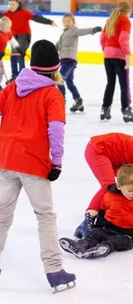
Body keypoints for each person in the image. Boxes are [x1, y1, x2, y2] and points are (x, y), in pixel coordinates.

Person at [0, 39, 76, 292]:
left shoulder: (13, 87)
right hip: (34, 164)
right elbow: (56, 130)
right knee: (45, 216)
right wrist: (57, 162)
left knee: (1, 216)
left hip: (7, 159)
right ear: (55, 67)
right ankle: (54, 270)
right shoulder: (52, 93)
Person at [59, 164, 133, 259]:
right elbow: (102, 213)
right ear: (119, 186)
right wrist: (98, 228)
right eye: (130, 190)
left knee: (115, 241)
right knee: (96, 233)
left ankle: (102, 249)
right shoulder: (110, 196)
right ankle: (81, 245)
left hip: (128, 236)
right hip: (109, 229)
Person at [100, 1, 133, 123]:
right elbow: (123, 39)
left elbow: (102, 38)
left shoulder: (110, 19)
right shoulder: (125, 20)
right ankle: (126, 110)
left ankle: (105, 109)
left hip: (107, 56)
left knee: (110, 83)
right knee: (124, 85)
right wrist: (127, 55)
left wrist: (106, 50)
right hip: (119, 56)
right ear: (128, 11)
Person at [0, 0, 56, 82]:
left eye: (13, 4)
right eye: (10, 4)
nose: (11, 6)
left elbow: (37, 18)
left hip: (24, 37)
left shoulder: (25, 12)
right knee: (13, 56)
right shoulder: (7, 14)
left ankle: (22, 76)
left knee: (19, 55)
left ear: (18, 4)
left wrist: (49, 22)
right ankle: (15, 76)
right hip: (13, 37)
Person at [55, 12, 102, 112]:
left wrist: (93, 30)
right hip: (64, 60)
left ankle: (61, 100)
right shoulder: (63, 34)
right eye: (65, 21)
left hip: (69, 60)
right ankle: (78, 102)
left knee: (60, 80)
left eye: (69, 21)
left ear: (73, 22)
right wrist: (48, 49)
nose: (66, 23)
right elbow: (57, 46)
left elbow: (83, 31)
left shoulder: (74, 31)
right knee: (69, 82)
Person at [0, 16, 22, 90]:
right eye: (7, 28)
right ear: (2, 27)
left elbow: (11, 40)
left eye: (10, 27)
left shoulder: (8, 32)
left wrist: (19, 48)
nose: (9, 29)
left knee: (1, 72)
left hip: (1, 55)